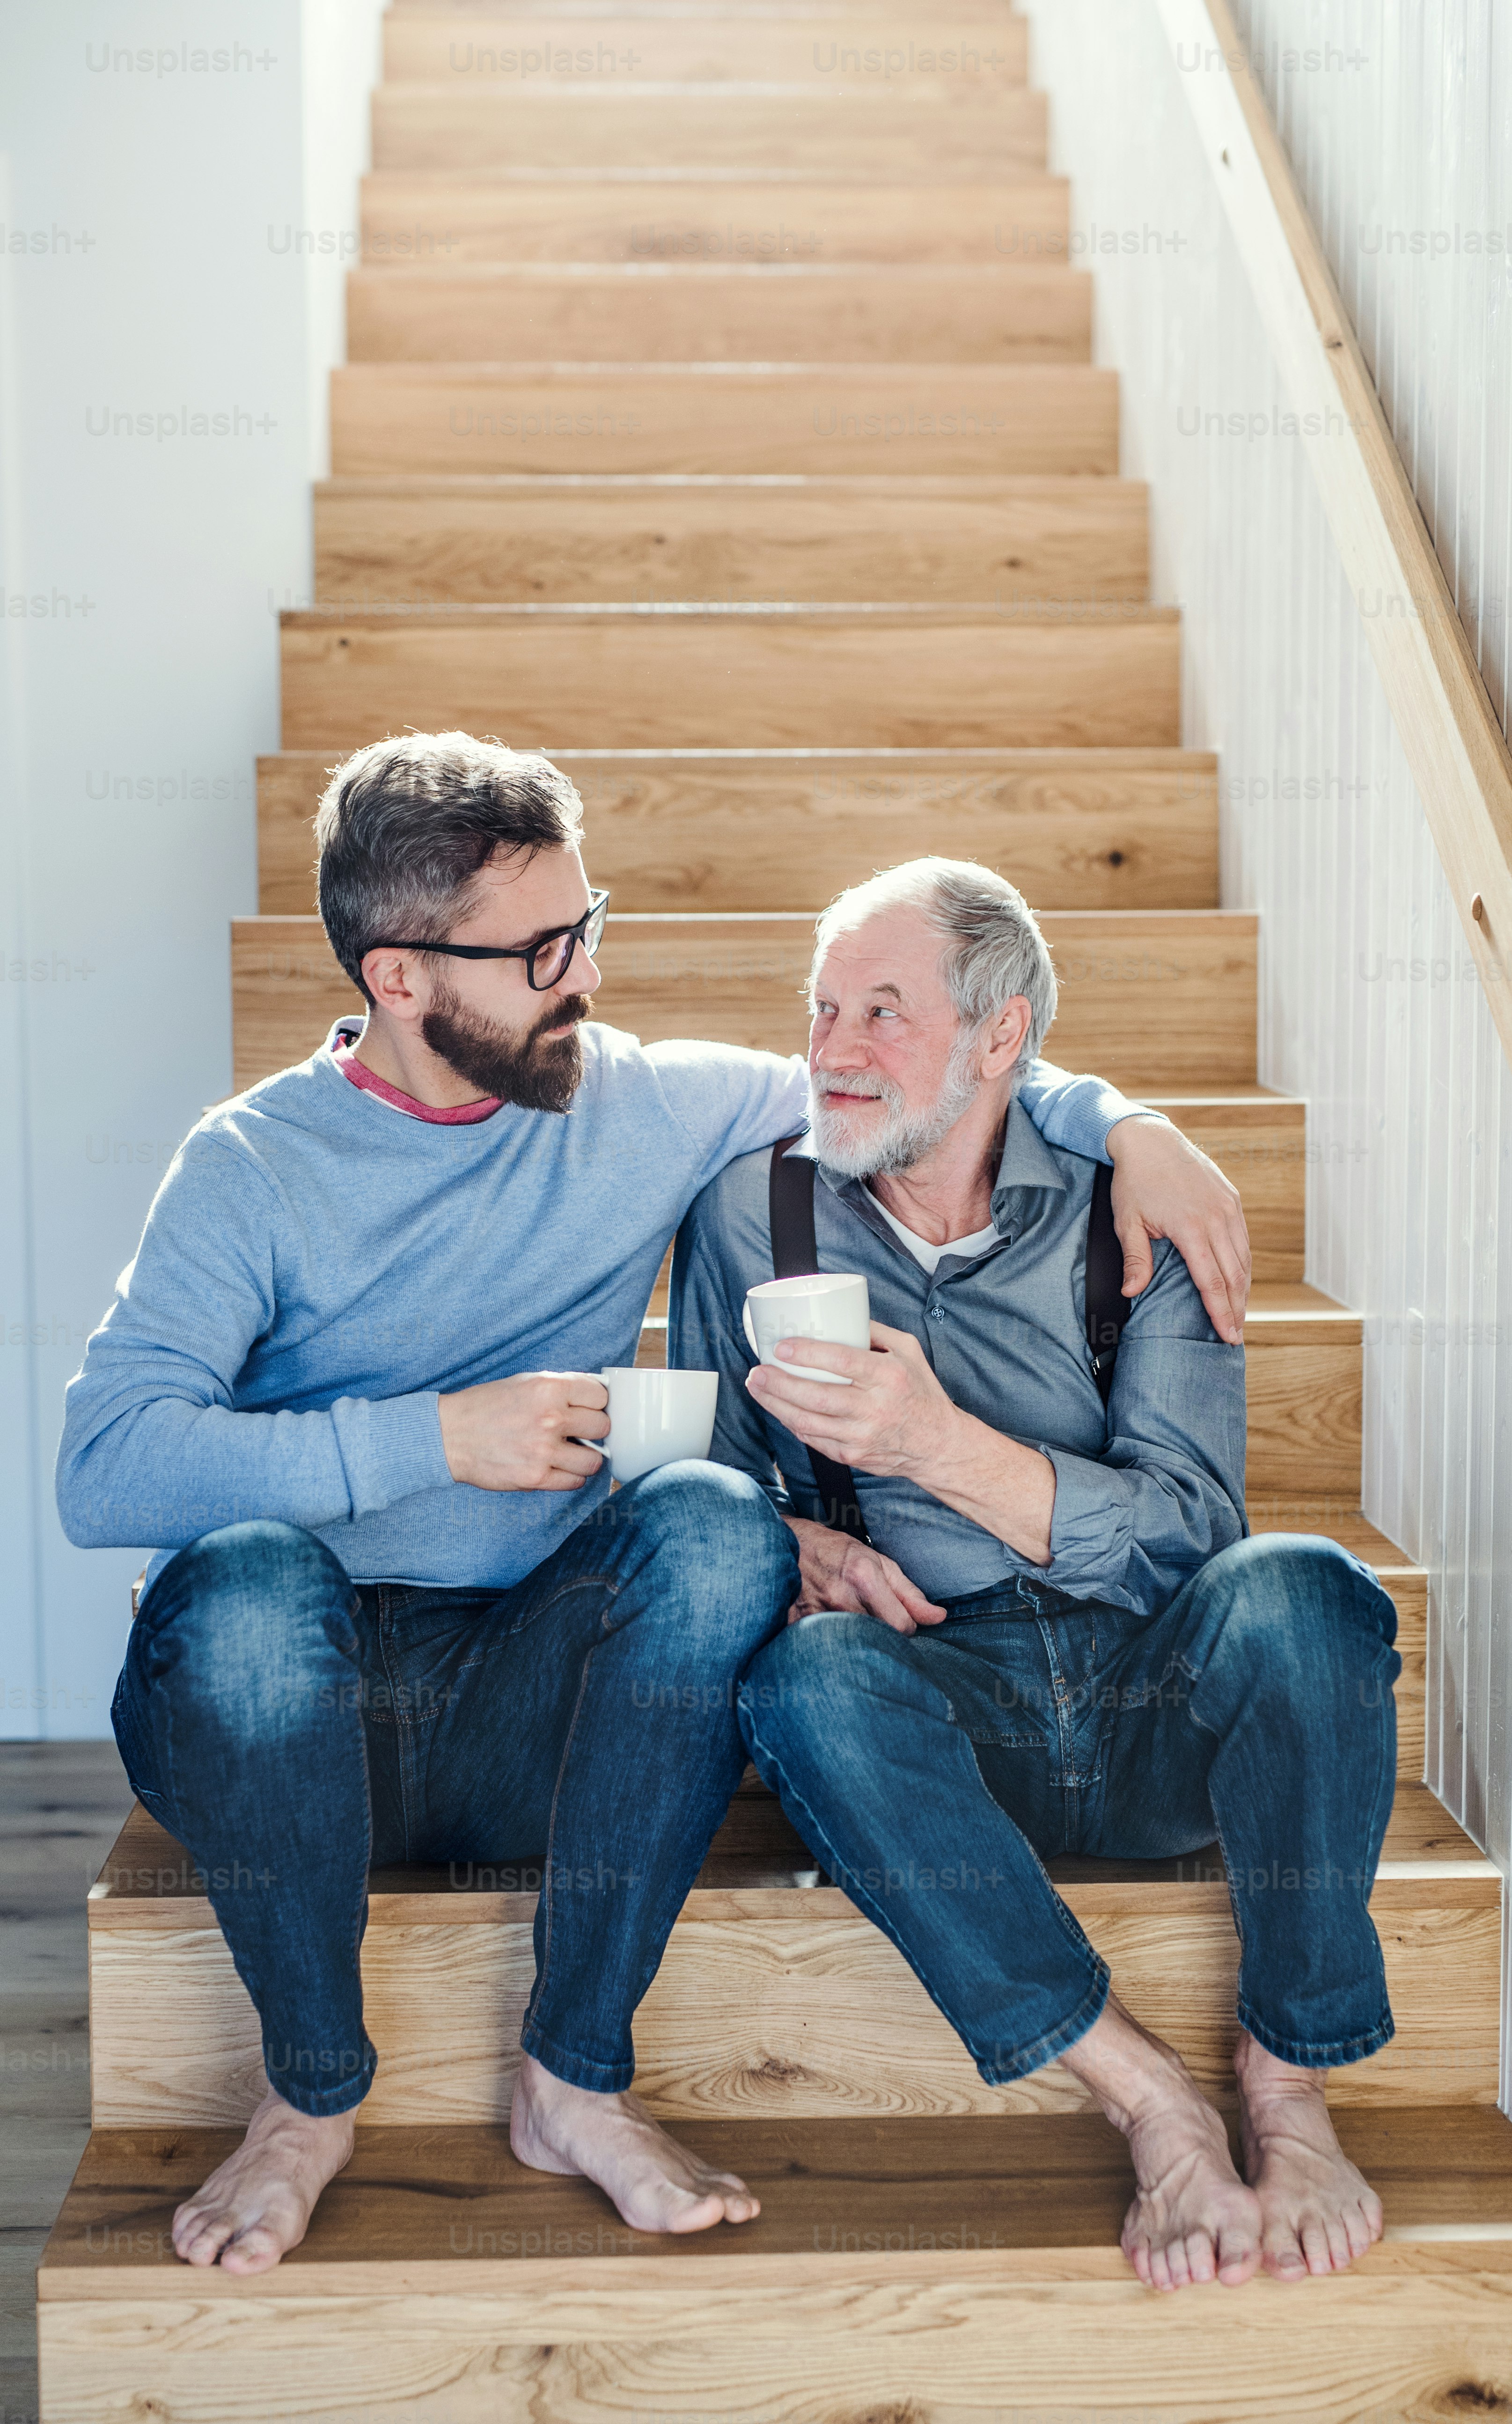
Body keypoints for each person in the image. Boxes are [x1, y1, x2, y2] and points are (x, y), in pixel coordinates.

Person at [57, 737, 1250, 2276]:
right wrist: (428, 1439)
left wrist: (1124, 1120)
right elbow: (106, 1463)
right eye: (543, 952)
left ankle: (574, 2075)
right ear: (403, 978)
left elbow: (918, 1070)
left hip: (521, 1713)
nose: (590, 979)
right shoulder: (250, 1166)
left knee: (709, 1519)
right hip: (279, 1720)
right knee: (246, 1584)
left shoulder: (641, 1105)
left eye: (589, 924)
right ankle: (307, 2096)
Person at [670, 855, 1398, 2296]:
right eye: (822, 1008)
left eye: (885, 1009)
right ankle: (1152, 2101)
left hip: (1147, 1696)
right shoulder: (752, 1217)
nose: (832, 1049)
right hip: (942, 1713)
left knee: (1305, 1588)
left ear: (1002, 1039)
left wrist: (939, 1445)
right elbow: (705, 1483)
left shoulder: (1139, 1213)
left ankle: (1288, 2083)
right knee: (805, 1678)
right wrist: (794, 1539)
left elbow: (1197, 1534)